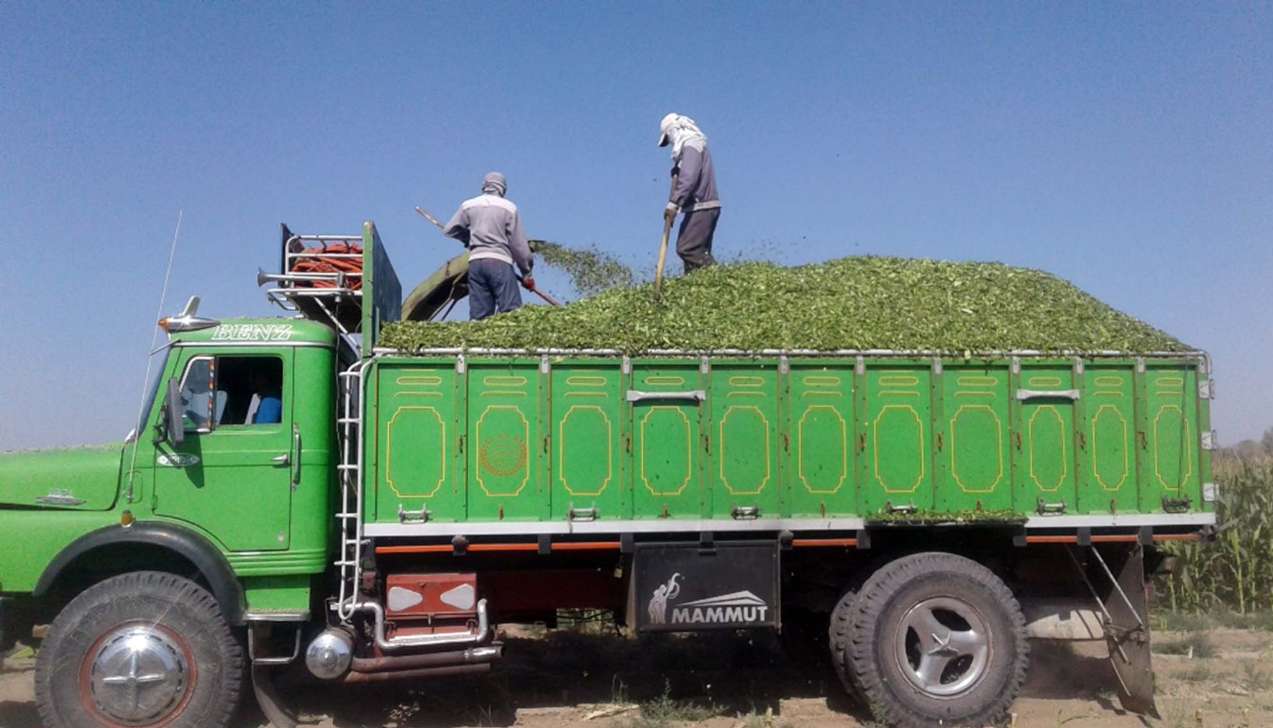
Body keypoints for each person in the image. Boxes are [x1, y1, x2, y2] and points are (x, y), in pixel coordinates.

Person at [444, 172, 535, 320]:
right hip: (499, 262)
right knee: (511, 312)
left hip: (476, 264)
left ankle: (477, 342)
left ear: (484, 186)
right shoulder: (509, 207)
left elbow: (450, 230)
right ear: (502, 188)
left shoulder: (468, 205)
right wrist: (527, 273)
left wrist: (468, 238)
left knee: (480, 316)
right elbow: (519, 245)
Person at [658, 113, 720, 272]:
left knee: (687, 248)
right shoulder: (685, 150)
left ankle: (721, 277)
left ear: (674, 130)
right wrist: (673, 208)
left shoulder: (692, 144)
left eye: (668, 137)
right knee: (696, 257)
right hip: (697, 207)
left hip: (702, 205)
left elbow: (689, 177)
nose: (670, 142)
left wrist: (674, 203)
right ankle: (699, 289)